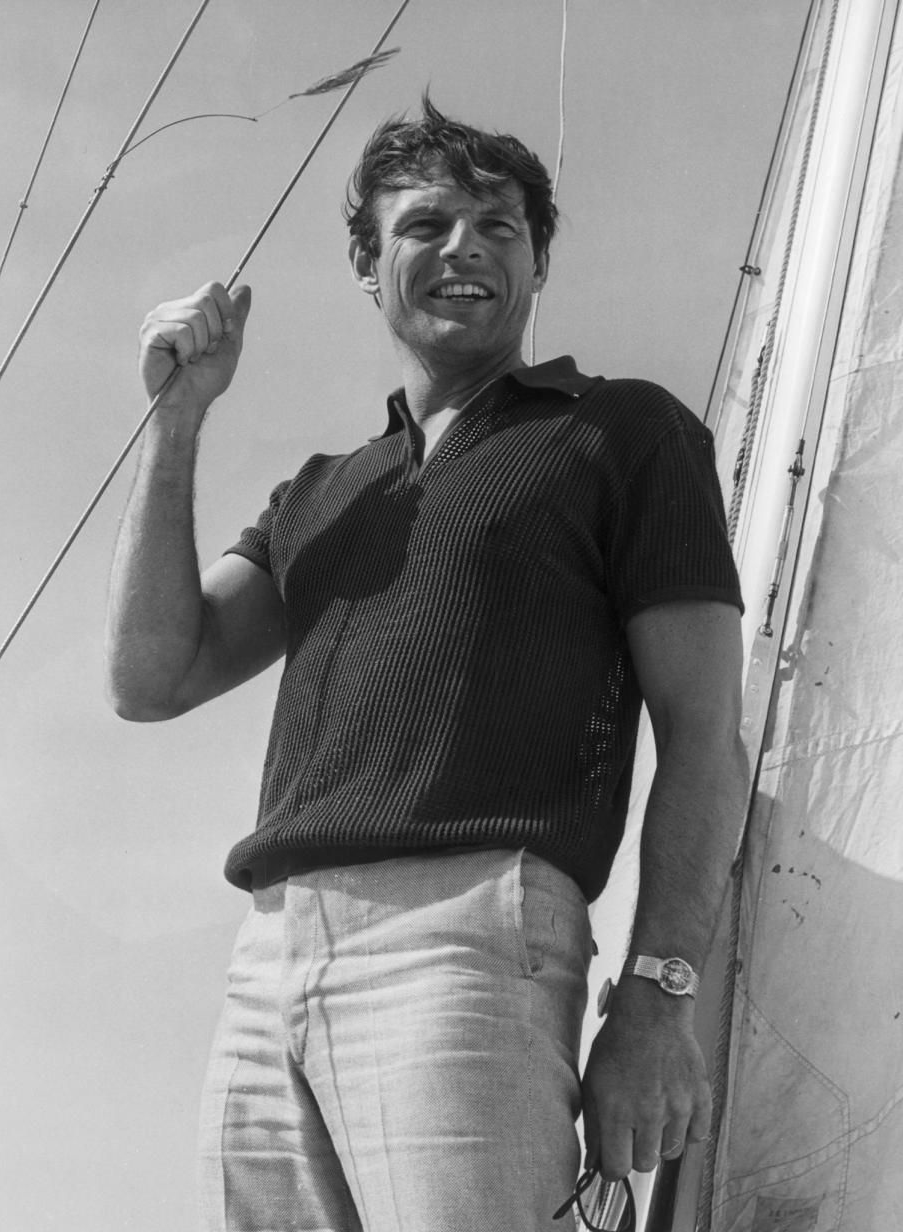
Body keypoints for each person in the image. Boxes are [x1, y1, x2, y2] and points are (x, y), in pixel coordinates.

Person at [105, 96, 748, 1231]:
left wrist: (657, 996)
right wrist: (176, 421)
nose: (468, 247)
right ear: (369, 266)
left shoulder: (623, 431)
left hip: (470, 935)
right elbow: (155, 675)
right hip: (269, 959)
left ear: (538, 262)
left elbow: (704, 730)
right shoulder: (319, 489)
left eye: (502, 226)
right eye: (428, 224)